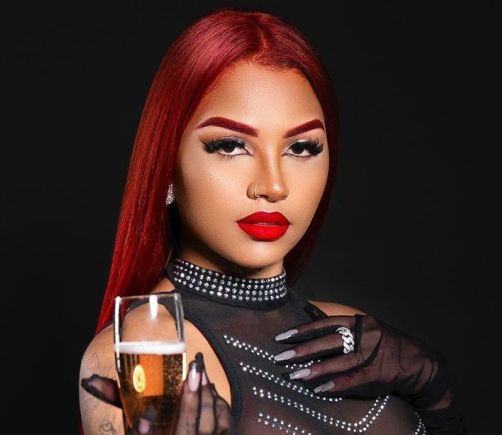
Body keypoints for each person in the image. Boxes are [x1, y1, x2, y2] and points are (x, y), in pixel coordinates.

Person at [79, 7, 464, 434]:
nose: (274, 185)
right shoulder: (147, 353)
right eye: (230, 145)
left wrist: (434, 388)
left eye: (301, 148)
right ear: (165, 167)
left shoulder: (349, 331)